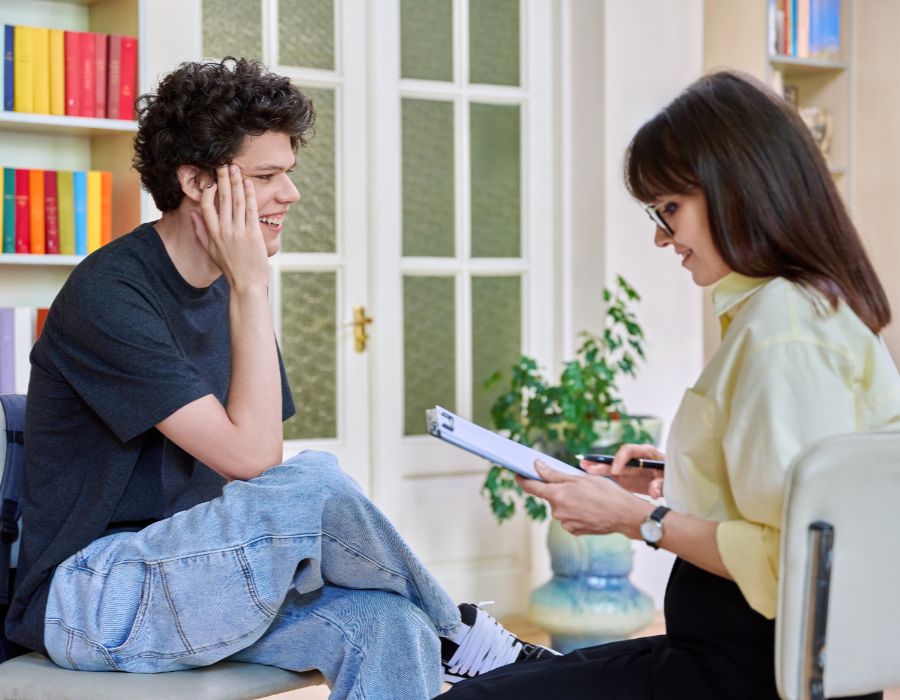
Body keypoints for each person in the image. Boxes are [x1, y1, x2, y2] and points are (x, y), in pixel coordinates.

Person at [4, 57, 555, 700]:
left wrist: (245, 290)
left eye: (287, 174)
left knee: (389, 625)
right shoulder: (111, 294)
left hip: (192, 573)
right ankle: (458, 632)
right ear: (195, 182)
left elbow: (260, 480)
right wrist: (252, 286)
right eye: (266, 176)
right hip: (89, 594)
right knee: (316, 483)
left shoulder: (227, 291)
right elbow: (253, 457)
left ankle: (436, 631)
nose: (290, 195)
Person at [439, 70, 900, 699]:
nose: (661, 236)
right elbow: (797, 496)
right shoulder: (803, 311)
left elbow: (786, 558)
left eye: (670, 209)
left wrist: (636, 518)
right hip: (737, 660)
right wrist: (672, 479)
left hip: (744, 676)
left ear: (735, 189)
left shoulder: (783, 330)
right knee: (524, 676)